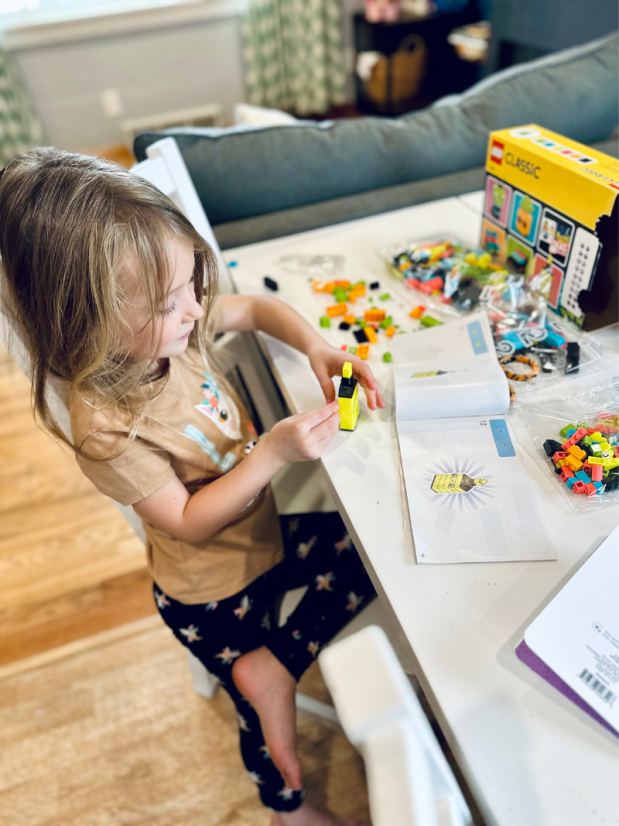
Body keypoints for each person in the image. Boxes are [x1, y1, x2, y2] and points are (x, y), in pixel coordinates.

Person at [0, 148, 385, 826]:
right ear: (84, 319)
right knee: (261, 724)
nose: (194, 308)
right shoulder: (104, 425)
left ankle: (281, 662)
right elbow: (187, 522)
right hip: (210, 595)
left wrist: (319, 348)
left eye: (190, 289)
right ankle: (286, 811)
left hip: (261, 544)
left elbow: (260, 310)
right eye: (169, 301)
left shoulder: (172, 330)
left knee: (368, 553)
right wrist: (272, 453)